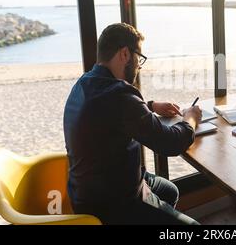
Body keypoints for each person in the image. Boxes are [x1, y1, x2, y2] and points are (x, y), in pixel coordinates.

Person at [63, 23, 201, 225]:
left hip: (87, 192)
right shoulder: (119, 93)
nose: (139, 66)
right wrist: (190, 118)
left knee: (169, 190)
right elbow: (170, 144)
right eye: (139, 58)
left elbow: (109, 112)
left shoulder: (86, 82)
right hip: (115, 203)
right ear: (125, 54)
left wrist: (151, 106)